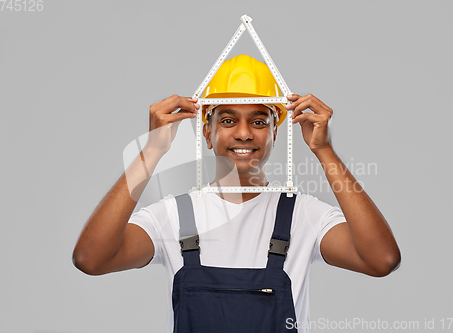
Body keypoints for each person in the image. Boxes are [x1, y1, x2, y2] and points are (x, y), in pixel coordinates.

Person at [73, 54, 401, 332]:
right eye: (228, 120)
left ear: (275, 132)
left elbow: (382, 260)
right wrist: (151, 151)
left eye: (259, 122)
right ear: (207, 132)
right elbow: (91, 258)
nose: (244, 134)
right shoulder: (173, 217)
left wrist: (325, 151)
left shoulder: (302, 215)